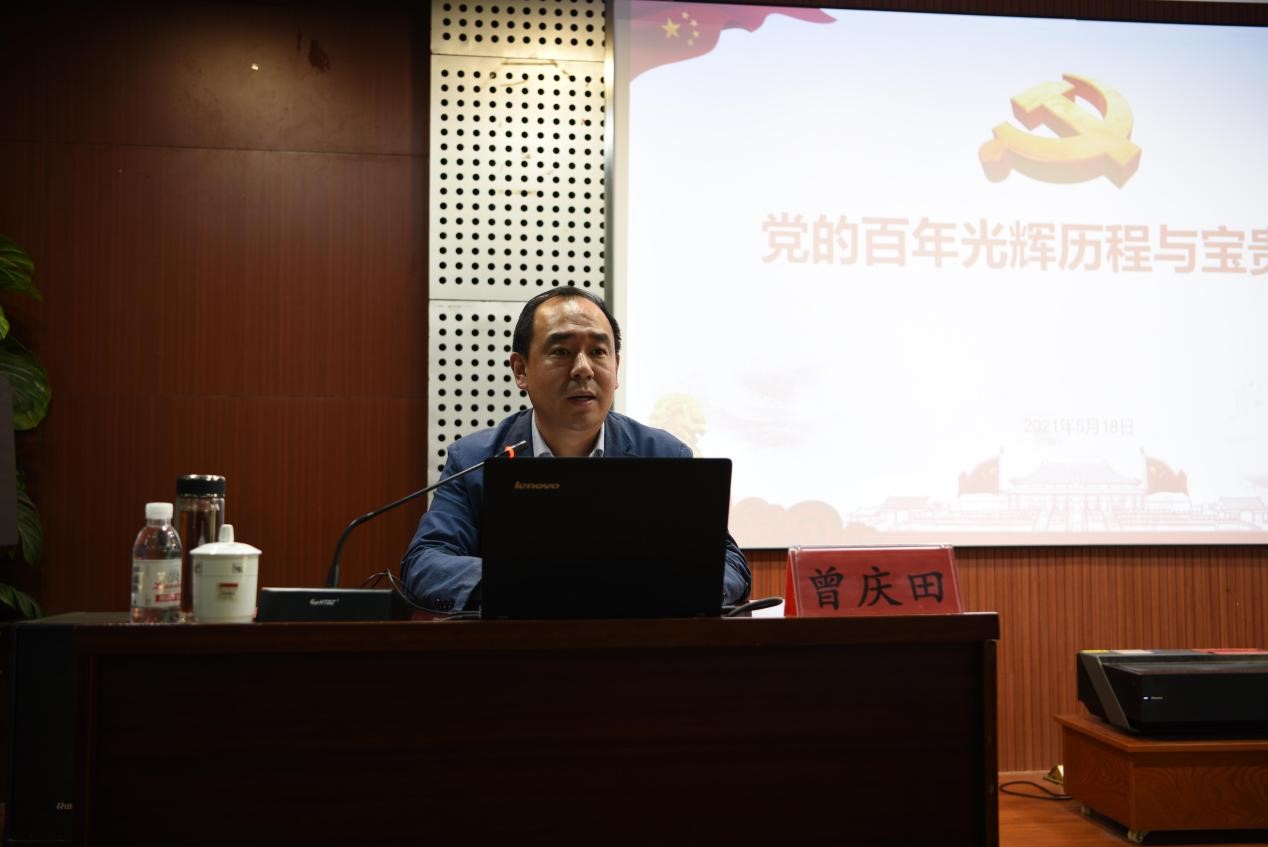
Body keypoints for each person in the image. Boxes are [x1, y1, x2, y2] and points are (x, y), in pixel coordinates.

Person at [401, 287, 751, 612]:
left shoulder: (664, 456)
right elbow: (425, 563)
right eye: (561, 352)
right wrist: (525, 582)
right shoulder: (475, 460)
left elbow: (729, 564)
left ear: (616, 368)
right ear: (521, 370)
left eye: (598, 352)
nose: (583, 369)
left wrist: (672, 584)